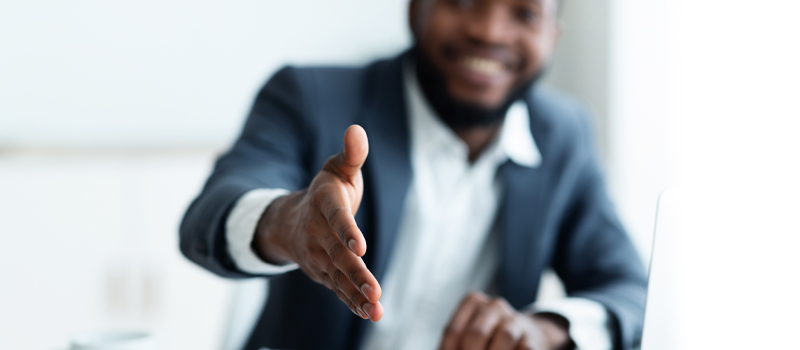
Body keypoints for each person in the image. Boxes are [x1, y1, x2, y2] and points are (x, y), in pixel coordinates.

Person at [180, 0, 647, 349]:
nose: (489, 31)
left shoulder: (565, 134)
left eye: (524, 13)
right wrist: (290, 223)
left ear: (553, 36)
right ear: (415, 10)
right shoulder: (310, 95)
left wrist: (545, 330)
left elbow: (627, 290)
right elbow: (209, 216)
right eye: (464, 2)